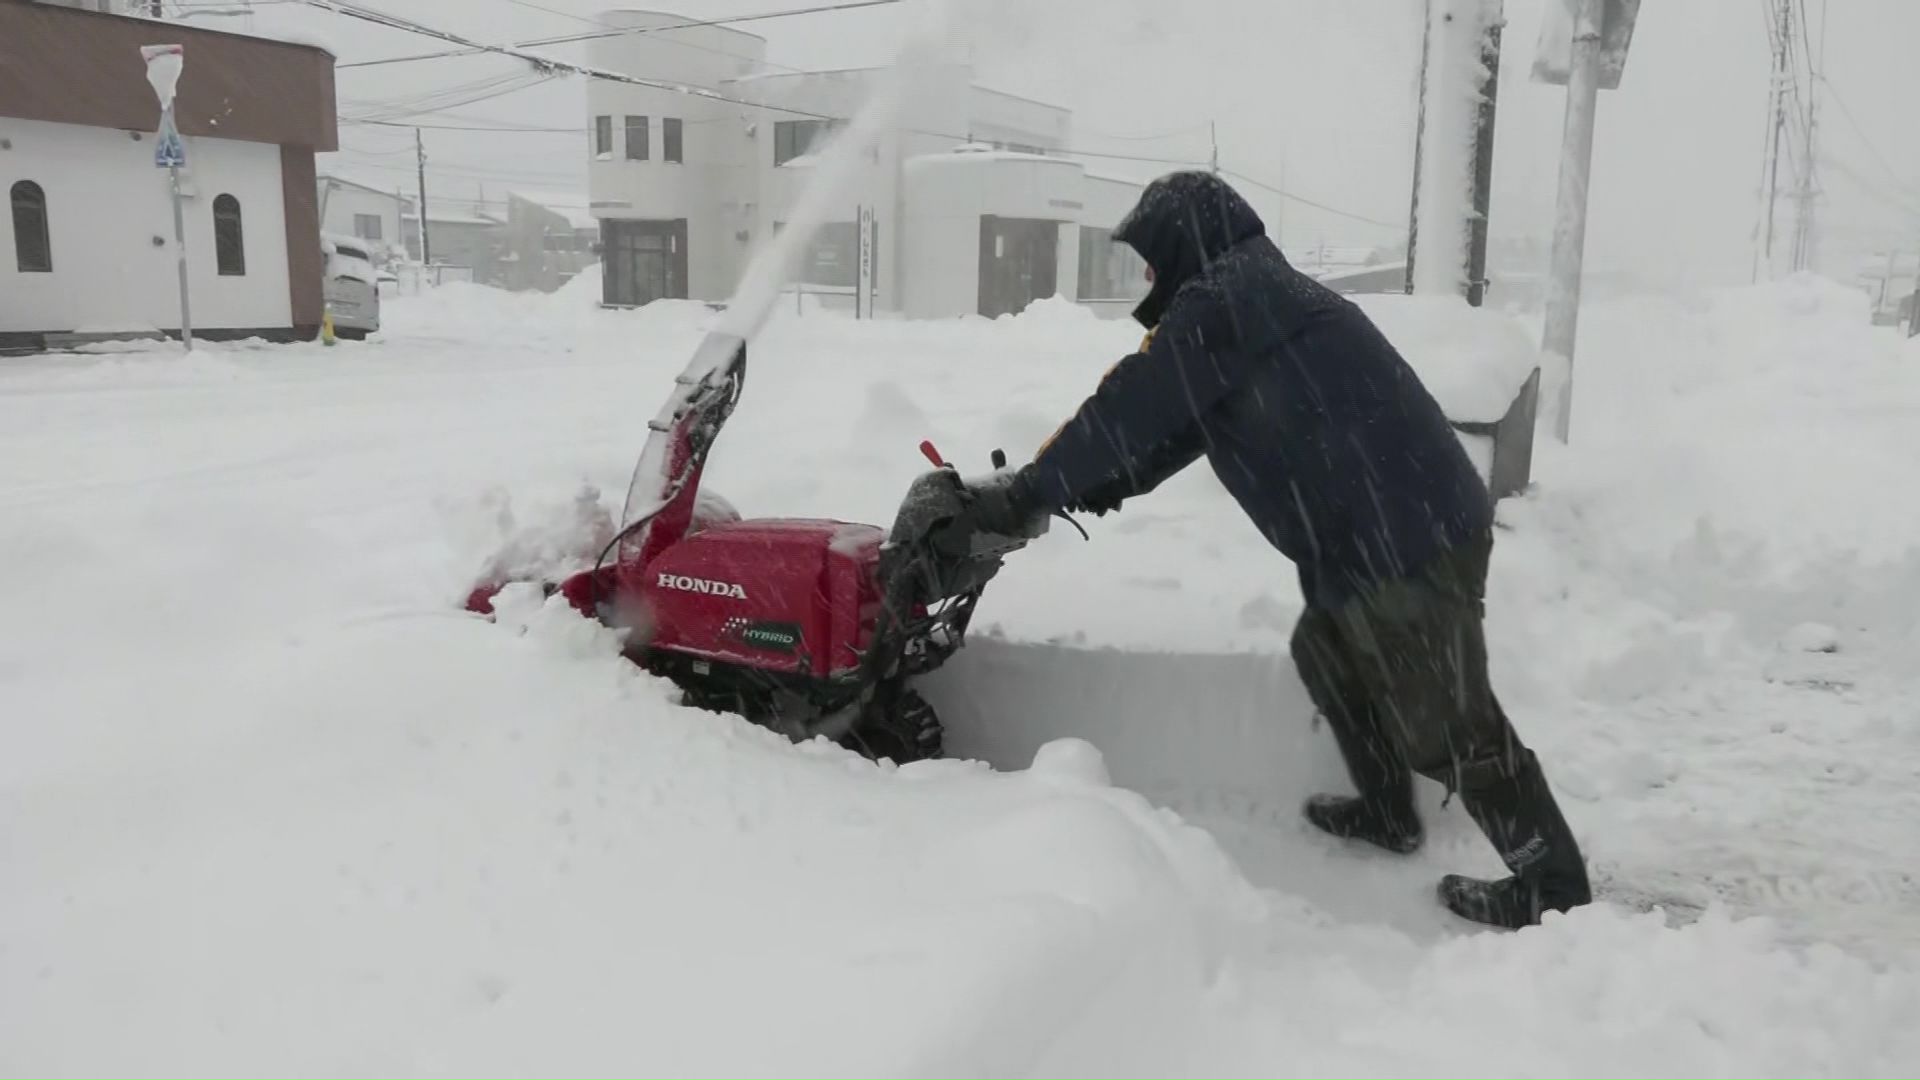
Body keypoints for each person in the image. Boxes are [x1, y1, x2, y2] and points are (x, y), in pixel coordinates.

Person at [965, 171, 1591, 929]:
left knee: (1449, 721)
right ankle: (1389, 812)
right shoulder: (1249, 292)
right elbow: (1179, 429)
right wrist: (1089, 489)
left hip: (1406, 537)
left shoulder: (1226, 301)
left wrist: (1029, 490)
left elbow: (1129, 407)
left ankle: (1552, 887)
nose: (1149, 279)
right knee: (1327, 647)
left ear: (1182, 242)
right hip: (1385, 531)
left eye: (1152, 260)